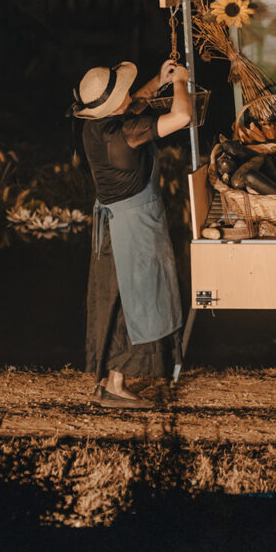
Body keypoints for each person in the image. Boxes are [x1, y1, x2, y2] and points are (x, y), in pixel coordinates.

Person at [71, 58, 191, 407]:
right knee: (132, 304)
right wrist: (180, 83)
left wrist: (158, 81)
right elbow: (182, 117)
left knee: (114, 301)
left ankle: (105, 380)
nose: (127, 93)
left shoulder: (96, 126)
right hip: (133, 228)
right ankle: (115, 385)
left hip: (114, 226)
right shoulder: (125, 133)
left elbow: (131, 104)